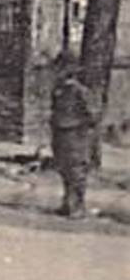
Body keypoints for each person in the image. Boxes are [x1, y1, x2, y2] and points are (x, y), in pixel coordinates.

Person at [50, 62, 100, 219]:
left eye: (60, 68)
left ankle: (77, 207)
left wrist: (82, 128)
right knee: (64, 168)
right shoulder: (58, 90)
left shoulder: (80, 91)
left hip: (76, 134)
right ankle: (67, 203)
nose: (57, 72)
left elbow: (92, 114)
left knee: (76, 170)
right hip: (60, 133)